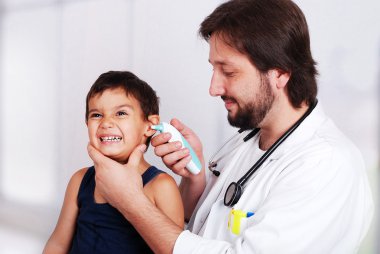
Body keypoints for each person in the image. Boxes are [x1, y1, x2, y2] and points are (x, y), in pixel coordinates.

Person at [87, 1, 374, 253]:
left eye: (229, 71)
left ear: (281, 73)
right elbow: (194, 231)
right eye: (213, 69)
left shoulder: (326, 165)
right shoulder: (245, 144)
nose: (213, 87)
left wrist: (131, 202)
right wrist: (194, 181)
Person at [43, 71, 184, 254]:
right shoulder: (80, 180)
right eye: (96, 115)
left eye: (120, 113)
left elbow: (173, 248)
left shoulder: (161, 186)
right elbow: (58, 244)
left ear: (150, 126)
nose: (106, 122)